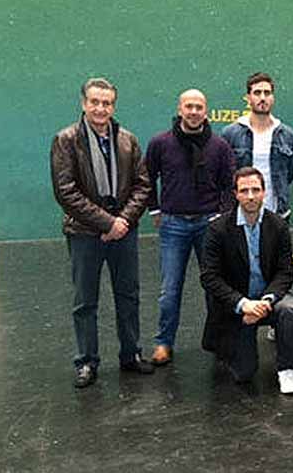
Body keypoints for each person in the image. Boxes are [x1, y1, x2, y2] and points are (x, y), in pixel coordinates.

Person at [50, 77, 154, 388]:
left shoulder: (128, 140)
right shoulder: (65, 140)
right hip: (84, 234)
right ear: (84, 103)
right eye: (94, 102)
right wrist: (107, 223)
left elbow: (143, 185)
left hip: (124, 232)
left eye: (106, 103)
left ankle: (131, 354)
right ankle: (86, 362)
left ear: (114, 106)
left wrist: (121, 221)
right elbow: (65, 192)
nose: (100, 108)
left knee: (128, 296)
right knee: (85, 301)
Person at [145, 89, 235, 366]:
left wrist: (222, 217)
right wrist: (155, 208)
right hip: (173, 225)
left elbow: (229, 185)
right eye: (189, 106)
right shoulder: (161, 143)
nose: (194, 111)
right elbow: (147, 177)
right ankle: (163, 343)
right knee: (170, 289)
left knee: (215, 287)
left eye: (199, 107)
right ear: (180, 109)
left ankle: (219, 341)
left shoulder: (219, 146)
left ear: (206, 111)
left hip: (208, 224)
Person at [200, 167, 293, 392]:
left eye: (256, 189)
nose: (251, 196)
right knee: (244, 374)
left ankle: (287, 369)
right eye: (244, 190)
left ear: (265, 192)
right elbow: (209, 277)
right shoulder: (217, 229)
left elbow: (286, 271)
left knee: (287, 309)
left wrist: (267, 300)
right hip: (237, 306)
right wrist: (243, 305)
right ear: (235, 194)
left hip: (268, 299)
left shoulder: (279, 226)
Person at [221, 72, 293, 220]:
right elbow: (225, 175)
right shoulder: (230, 133)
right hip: (239, 214)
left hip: (277, 213)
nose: (262, 98)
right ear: (248, 98)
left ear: (272, 98)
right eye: (257, 93)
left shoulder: (287, 135)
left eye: (267, 93)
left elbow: (289, 174)